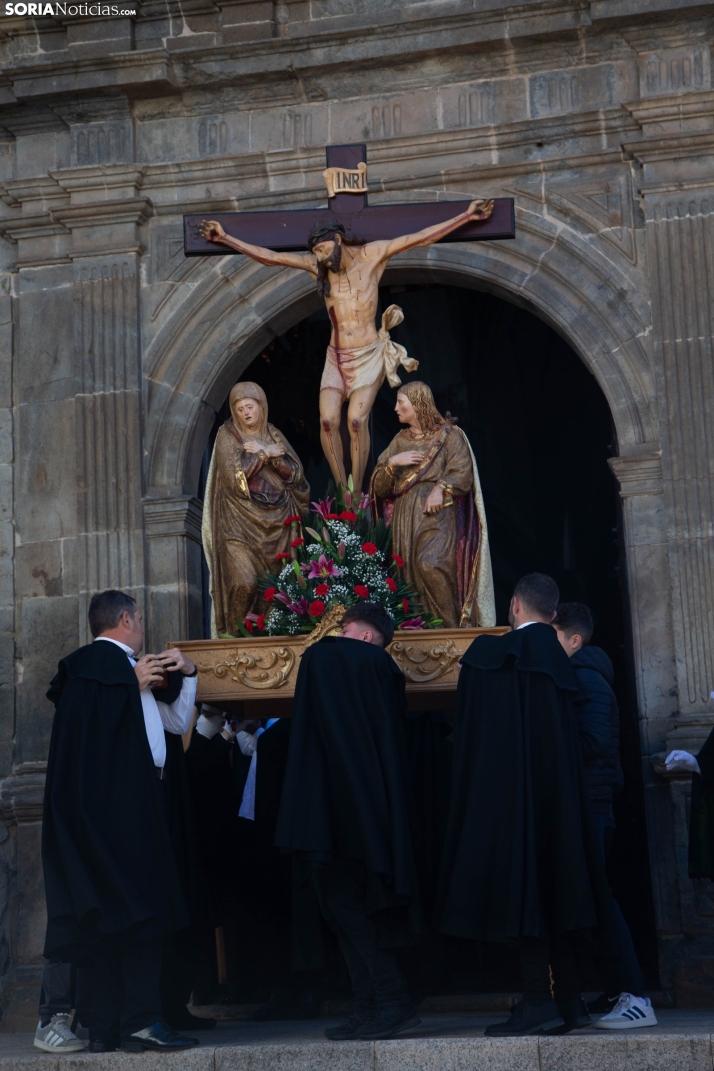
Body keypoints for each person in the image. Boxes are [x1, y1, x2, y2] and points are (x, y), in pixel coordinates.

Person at [199, 201, 494, 490]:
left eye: (323, 249)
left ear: (338, 240)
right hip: (336, 357)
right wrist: (225, 238)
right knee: (327, 421)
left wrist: (466, 217)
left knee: (355, 420)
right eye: (316, 252)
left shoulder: (372, 256)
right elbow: (272, 258)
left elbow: (419, 238)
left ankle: (358, 489)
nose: (321, 257)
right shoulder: (319, 267)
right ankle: (344, 490)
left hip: (367, 355)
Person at [437, 573, 619, 1037]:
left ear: (514, 605)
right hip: (559, 804)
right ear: (554, 614)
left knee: (526, 893)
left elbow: (470, 734)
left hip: (508, 801)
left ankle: (538, 999)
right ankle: (570, 1001)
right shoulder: (565, 661)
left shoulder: (487, 655)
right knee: (560, 889)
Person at [42, 590, 200, 1053]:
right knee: (135, 909)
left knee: (129, 911)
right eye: (141, 618)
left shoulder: (132, 670)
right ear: (127, 618)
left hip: (141, 798)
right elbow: (85, 730)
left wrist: (189, 674)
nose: (143, 626)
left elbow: (175, 724)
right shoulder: (90, 666)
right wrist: (128, 685)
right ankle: (134, 1021)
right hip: (112, 806)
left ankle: (113, 1026)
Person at [275, 603, 423, 1040]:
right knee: (343, 910)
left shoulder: (326, 656)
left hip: (331, 811)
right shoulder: (383, 670)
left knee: (345, 909)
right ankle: (369, 1005)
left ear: (358, 633)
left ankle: (392, 1000)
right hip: (370, 810)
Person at [554, 603, 656, 1029]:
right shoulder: (582, 675)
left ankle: (635, 998)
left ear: (575, 640)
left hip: (593, 804)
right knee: (594, 900)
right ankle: (617, 989)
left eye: (554, 636)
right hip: (592, 803)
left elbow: (593, 742)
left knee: (601, 899)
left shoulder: (586, 678)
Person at [370, 380, 495, 628]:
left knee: (430, 564)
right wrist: (393, 463)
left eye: (401, 402)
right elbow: (380, 488)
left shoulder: (450, 436)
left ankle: (449, 631)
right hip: (405, 516)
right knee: (406, 573)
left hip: (437, 513)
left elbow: (463, 472)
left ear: (418, 404)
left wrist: (440, 488)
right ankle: (418, 629)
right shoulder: (399, 440)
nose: (396, 408)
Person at [202, 381, 310, 637]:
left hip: (278, 525)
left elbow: (296, 477)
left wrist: (267, 452)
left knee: (276, 590)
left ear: (262, 406)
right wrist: (264, 455)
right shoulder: (227, 435)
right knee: (244, 583)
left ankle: (269, 640)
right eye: (239, 409)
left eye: (250, 407)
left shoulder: (273, 434)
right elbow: (235, 479)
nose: (246, 413)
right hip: (238, 524)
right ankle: (234, 642)